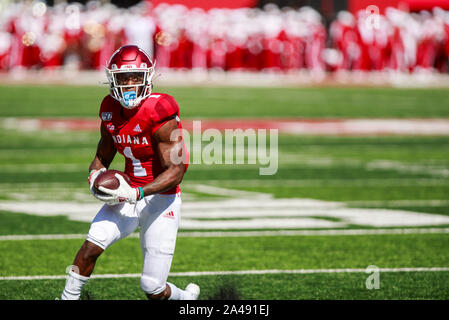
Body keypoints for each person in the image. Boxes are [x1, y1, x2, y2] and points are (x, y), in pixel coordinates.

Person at [61, 45, 199, 300]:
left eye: (136, 77)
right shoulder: (110, 110)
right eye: (124, 78)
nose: (129, 84)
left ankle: (185, 299)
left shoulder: (161, 110)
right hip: (126, 193)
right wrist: (95, 177)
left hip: (160, 199)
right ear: (113, 80)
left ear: (147, 78)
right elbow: (102, 157)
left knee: (152, 288)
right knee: (91, 245)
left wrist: (136, 192)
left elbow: (176, 171)